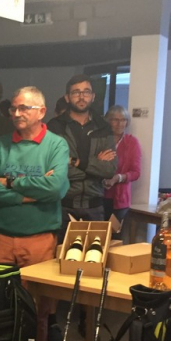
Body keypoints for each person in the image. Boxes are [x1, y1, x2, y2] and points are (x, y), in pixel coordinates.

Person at [0, 87, 70, 341]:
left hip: (39, 241)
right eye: (14, 108)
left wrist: (11, 182)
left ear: (41, 112)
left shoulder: (56, 145)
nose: (17, 114)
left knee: (37, 313)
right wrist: (30, 194)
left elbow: (55, 188)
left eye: (24, 108)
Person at [47, 74, 117, 231]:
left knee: (95, 248)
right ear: (67, 97)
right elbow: (54, 170)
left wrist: (75, 162)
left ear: (93, 96)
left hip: (95, 207)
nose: (81, 97)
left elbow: (109, 170)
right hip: (63, 205)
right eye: (76, 92)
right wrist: (95, 166)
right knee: (61, 247)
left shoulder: (103, 127)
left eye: (86, 92)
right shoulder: (55, 127)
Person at [102, 105, 141, 233]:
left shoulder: (132, 142)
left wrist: (118, 178)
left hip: (120, 200)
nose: (120, 124)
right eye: (115, 120)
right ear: (108, 121)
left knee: (115, 237)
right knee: (98, 236)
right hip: (99, 196)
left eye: (123, 120)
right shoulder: (101, 141)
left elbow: (136, 173)